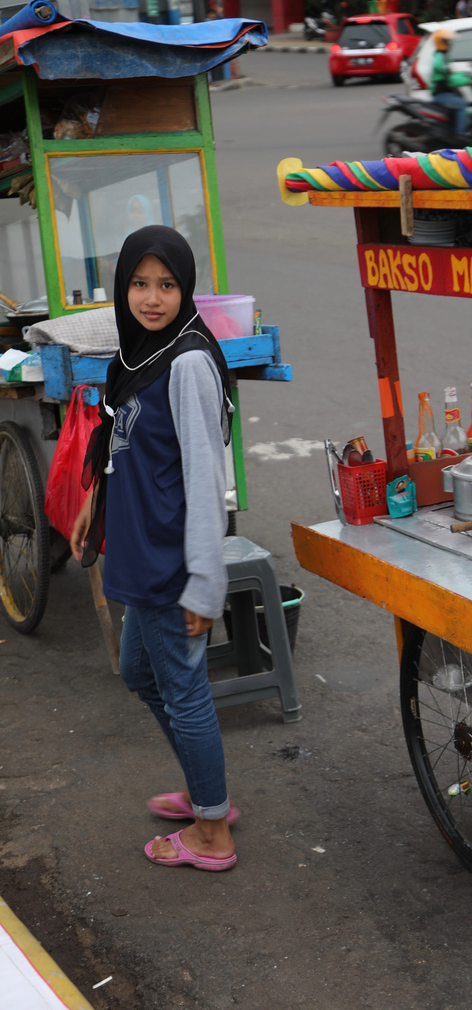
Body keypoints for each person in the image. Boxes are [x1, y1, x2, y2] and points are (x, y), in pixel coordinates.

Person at [70, 225, 238, 873]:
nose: (151, 297)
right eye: (139, 283)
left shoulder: (188, 361)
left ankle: (212, 832)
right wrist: (95, 505)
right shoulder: (141, 354)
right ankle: (209, 792)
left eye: (166, 284)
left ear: (185, 288)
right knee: (139, 675)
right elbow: (123, 446)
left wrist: (204, 584)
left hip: (172, 559)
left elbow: (205, 477)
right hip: (140, 551)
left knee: (184, 690)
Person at [429, 28, 472, 144]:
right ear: (442, 42)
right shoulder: (440, 57)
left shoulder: (443, 56)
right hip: (441, 95)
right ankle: (460, 134)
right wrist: (468, 81)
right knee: (461, 104)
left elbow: (452, 74)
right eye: (448, 41)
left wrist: (466, 75)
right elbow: (450, 77)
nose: (451, 44)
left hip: (446, 93)